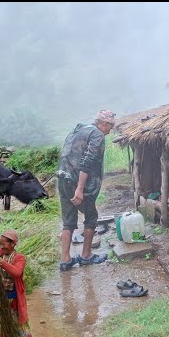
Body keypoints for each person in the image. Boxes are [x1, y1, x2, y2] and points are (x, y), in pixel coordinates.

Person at [57, 110, 115, 271]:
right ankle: (86, 255)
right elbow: (87, 162)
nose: (110, 131)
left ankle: (65, 260)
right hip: (78, 182)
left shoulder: (79, 130)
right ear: (104, 124)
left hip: (63, 178)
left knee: (68, 221)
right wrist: (80, 189)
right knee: (91, 217)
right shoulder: (97, 134)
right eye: (110, 127)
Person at [0, 229, 38, 337]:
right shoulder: (0, 252)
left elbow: (17, 272)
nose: (1, 247)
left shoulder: (19, 258)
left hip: (14, 299)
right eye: (0, 244)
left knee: (20, 325)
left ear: (13, 244)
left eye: (4, 244)